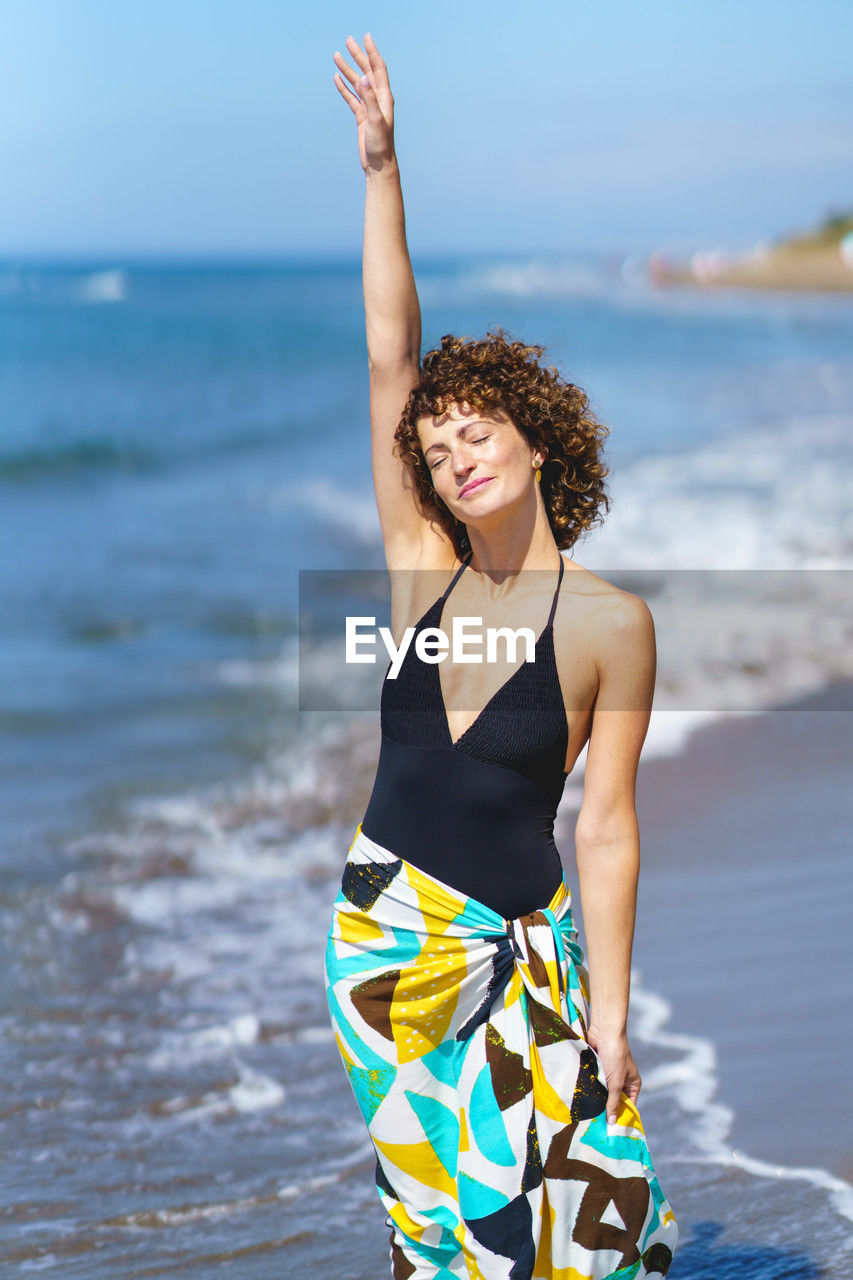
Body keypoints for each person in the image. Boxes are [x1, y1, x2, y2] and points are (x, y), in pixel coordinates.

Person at [324, 32, 678, 1280]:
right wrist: (381, 167)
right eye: (437, 448)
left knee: (591, 1224)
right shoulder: (422, 566)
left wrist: (618, 1013)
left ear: (538, 441)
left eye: (478, 432)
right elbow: (387, 352)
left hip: (528, 948)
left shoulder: (610, 624)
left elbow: (610, 825)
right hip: (391, 947)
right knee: (440, 1235)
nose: (454, 455)